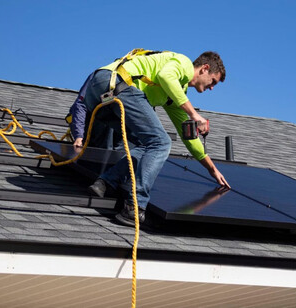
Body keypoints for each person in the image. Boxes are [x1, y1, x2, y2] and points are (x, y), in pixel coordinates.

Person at [81, 49, 231, 226]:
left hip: (99, 96)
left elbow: (188, 137)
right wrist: (194, 115)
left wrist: (212, 169)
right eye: (213, 81)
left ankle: (105, 182)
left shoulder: (176, 95)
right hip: (117, 83)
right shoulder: (182, 63)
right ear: (204, 68)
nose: (212, 87)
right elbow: (166, 77)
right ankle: (134, 207)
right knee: (161, 142)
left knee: (147, 144)